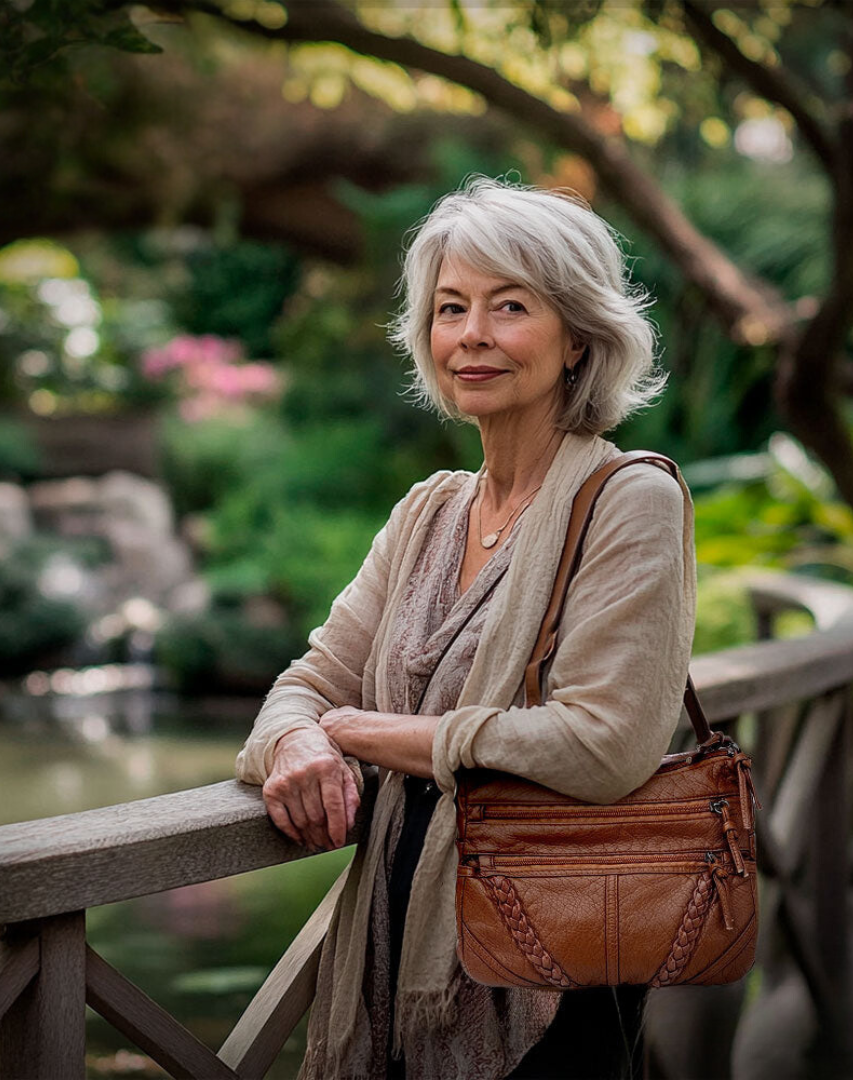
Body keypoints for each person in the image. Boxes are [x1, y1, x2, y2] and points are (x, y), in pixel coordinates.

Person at [234, 175, 696, 1080]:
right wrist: (294, 743)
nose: (471, 334)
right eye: (451, 308)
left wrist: (372, 734)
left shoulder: (628, 499)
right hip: (393, 944)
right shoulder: (428, 512)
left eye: (509, 306)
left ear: (578, 337)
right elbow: (309, 683)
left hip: (548, 968)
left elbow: (605, 746)